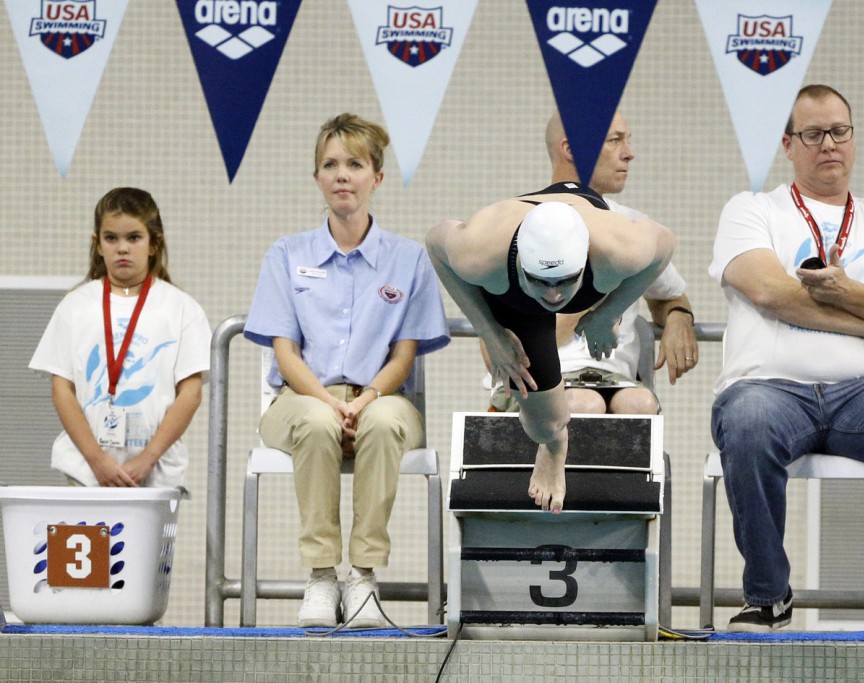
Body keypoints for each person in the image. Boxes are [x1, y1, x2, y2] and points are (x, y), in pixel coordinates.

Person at [708, 84, 864, 632]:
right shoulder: (751, 209)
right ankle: (769, 597)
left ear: (854, 138)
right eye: (813, 134)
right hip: (768, 388)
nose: (829, 145)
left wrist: (846, 290)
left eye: (839, 131)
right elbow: (772, 293)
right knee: (745, 420)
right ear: (788, 144)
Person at [244, 114, 450, 629]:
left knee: (381, 423)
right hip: (299, 397)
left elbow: (404, 357)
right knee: (316, 422)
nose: (342, 175)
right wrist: (329, 402)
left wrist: (363, 400)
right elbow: (285, 355)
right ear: (316, 178)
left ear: (376, 177)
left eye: (354, 164)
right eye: (330, 165)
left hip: (381, 397)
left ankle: (362, 577)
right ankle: (320, 576)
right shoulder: (287, 255)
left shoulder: (409, 260)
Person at [427, 186, 676, 514]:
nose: (555, 297)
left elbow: (666, 243)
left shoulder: (618, 249)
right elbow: (434, 242)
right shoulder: (480, 252)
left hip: (588, 230)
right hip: (516, 293)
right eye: (542, 281)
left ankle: (588, 294)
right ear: (521, 264)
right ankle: (555, 443)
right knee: (544, 424)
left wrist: (609, 312)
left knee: (603, 283)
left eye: (564, 281)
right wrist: (490, 332)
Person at [486, 111, 698, 414]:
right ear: (570, 149)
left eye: (627, 140)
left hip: (616, 381)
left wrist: (678, 318)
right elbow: (498, 351)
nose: (630, 154)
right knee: (582, 404)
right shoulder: (522, 226)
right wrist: (598, 286)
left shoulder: (631, 225)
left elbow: (669, 294)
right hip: (542, 381)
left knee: (640, 405)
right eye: (615, 141)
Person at [29, 187, 211, 488]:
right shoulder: (75, 306)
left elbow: (190, 394)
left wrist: (148, 458)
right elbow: (62, 388)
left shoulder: (181, 308)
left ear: (154, 243)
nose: (122, 248)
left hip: (155, 471)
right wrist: (97, 461)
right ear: (97, 244)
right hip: (86, 470)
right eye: (111, 238)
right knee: (90, 537)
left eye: (134, 238)